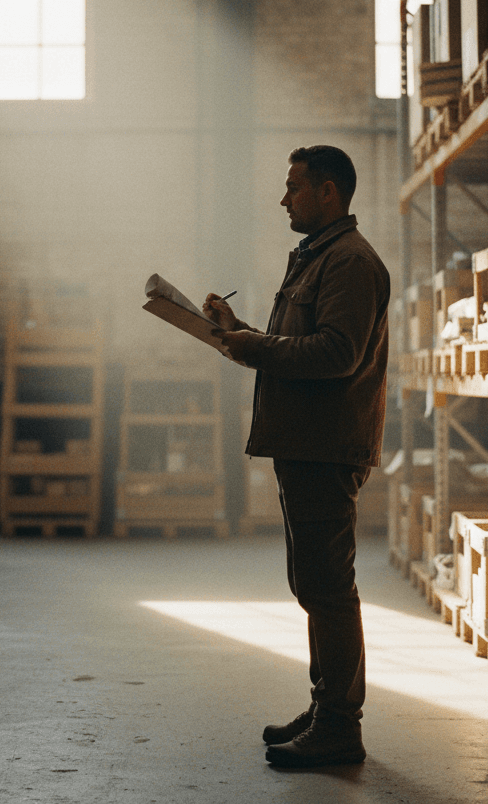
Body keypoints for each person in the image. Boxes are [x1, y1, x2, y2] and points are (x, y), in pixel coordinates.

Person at [203, 144, 390, 769]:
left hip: (326, 445)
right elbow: (300, 341)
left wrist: (251, 346)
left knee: (329, 588)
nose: (284, 198)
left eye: (294, 187)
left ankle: (341, 726)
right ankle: (325, 704)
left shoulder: (350, 263)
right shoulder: (320, 257)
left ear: (328, 191)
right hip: (306, 442)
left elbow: (337, 352)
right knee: (312, 583)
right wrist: (240, 329)